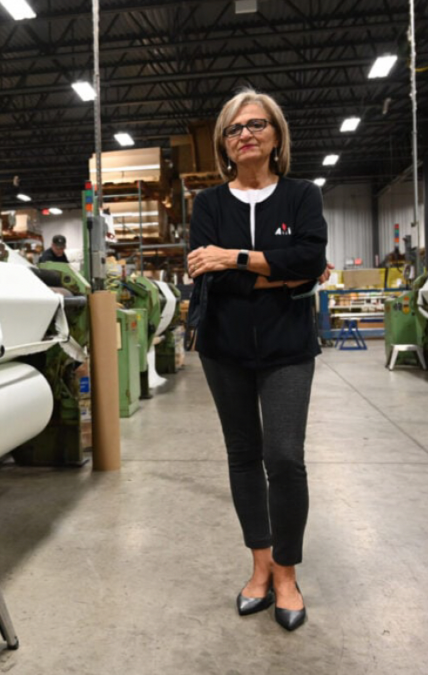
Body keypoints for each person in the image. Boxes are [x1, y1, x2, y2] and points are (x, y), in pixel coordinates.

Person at [186, 88, 332, 632]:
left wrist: (237, 258)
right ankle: (260, 565)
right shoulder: (209, 204)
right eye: (233, 129)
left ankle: (288, 573)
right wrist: (279, 271)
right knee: (243, 455)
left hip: (288, 348)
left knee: (286, 458)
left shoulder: (301, 195)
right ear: (225, 144)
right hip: (223, 348)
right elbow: (204, 268)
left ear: (276, 136)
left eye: (256, 125)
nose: (245, 134)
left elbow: (311, 259)